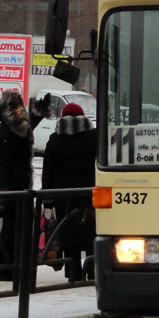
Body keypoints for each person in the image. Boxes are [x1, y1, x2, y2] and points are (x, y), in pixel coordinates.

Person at [0, 90, 48, 281]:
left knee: (16, 227)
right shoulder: (11, 131)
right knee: (11, 229)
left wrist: (38, 112)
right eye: (20, 106)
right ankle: (8, 270)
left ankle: (12, 269)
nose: (23, 109)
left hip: (13, 184)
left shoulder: (10, 127)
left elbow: (26, 128)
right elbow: (22, 135)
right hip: (11, 186)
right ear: (13, 108)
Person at [41, 102, 97, 282]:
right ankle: (92, 271)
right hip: (89, 194)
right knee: (91, 233)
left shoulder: (54, 140)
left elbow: (48, 171)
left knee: (69, 235)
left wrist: (47, 198)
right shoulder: (94, 137)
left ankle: (73, 274)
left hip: (63, 196)